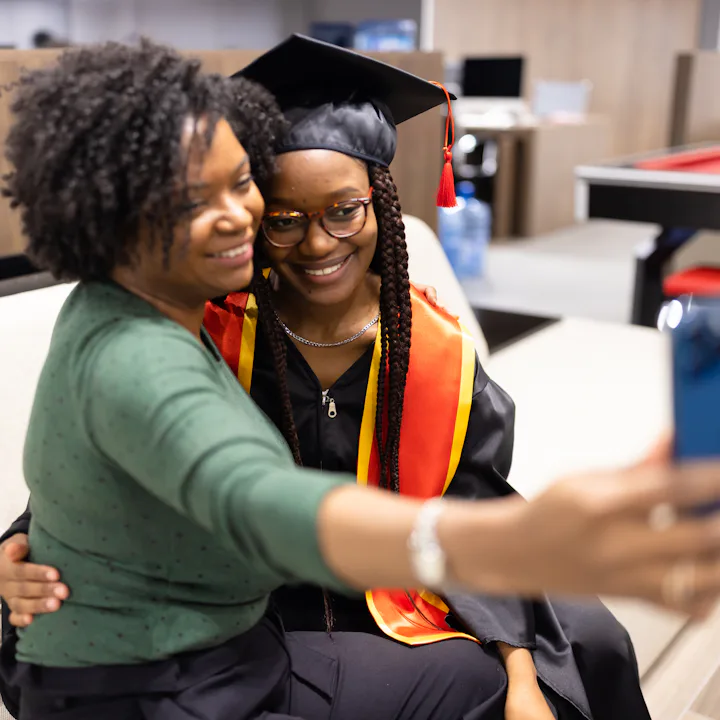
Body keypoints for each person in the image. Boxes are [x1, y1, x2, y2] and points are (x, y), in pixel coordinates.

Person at [3, 37, 720, 720]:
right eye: (283, 219)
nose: (316, 244)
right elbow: (173, 479)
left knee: (587, 645)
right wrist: (17, 549)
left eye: (344, 212)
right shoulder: (208, 326)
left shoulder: (432, 348)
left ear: (380, 199)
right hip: (254, 598)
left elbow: (473, 494)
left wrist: (519, 656)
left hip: (403, 577)